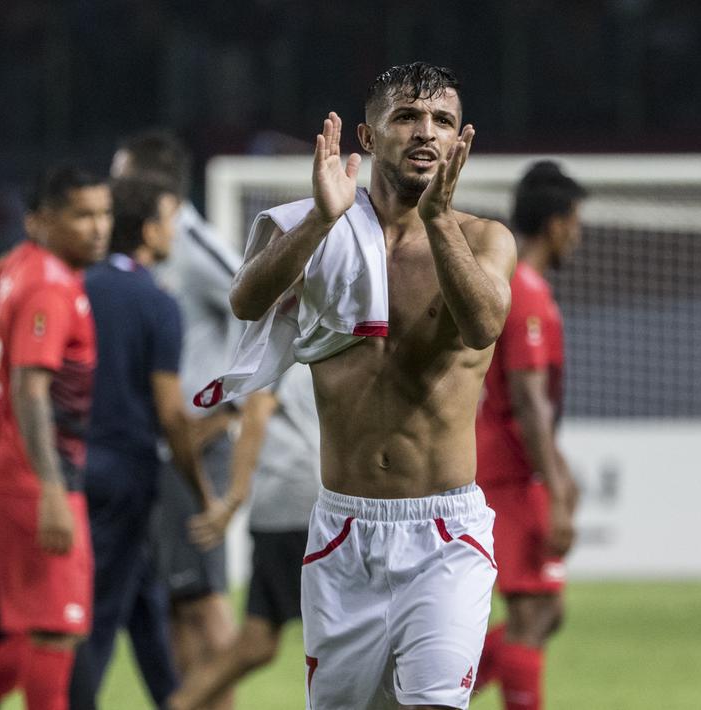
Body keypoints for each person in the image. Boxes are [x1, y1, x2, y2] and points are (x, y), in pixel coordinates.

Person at [228, 61, 516, 709]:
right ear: (366, 136)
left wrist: (438, 220)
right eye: (406, 117)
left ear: (459, 141)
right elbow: (246, 302)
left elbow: (482, 326)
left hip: (445, 533)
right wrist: (317, 223)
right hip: (344, 532)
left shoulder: (482, 238)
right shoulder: (321, 232)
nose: (425, 132)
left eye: (441, 120)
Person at [0, 165, 111, 710]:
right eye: (81, 216)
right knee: (56, 632)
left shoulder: (21, 269)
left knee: (35, 630)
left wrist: (15, 263)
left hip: (13, 476)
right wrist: (54, 491)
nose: (97, 228)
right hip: (41, 480)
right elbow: (30, 391)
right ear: (42, 222)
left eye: (103, 214)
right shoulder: (51, 288)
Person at [67, 176, 222, 709]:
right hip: (127, 475)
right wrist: (202, 490)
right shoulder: (157, 302)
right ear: (149, 229)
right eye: (169, 219)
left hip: (78, 467)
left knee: (146, 609)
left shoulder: (77, 285)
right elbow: (170, 412)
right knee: (98, 620)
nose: (175, 230)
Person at [111, 131, 240, 691]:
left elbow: (264, 305)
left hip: (196, 448)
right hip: (157, 449)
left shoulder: (194, 242)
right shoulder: (140, 251)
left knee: (206, 602)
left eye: (121, 178)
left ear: (152, 186)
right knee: (175, 604)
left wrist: (230, 406)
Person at [472, 161, 586, 710]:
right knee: (533, 612)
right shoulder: (526, 289)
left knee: (545, 611)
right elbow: (528, 402)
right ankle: (422, 690)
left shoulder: (513, 280)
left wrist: (559, 473)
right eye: (576, 222)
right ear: (557, 224)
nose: (578, 236)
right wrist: (555, 486)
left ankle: (426, 690)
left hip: (508, 467)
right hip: (511, 474)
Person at [167, 364, 320, 710]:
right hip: (299, 507)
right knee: (339, 642)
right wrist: (234, 498)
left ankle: (182, 703)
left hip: (291, 505)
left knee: (259, 641)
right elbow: (256, 410)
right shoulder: (296, 340)